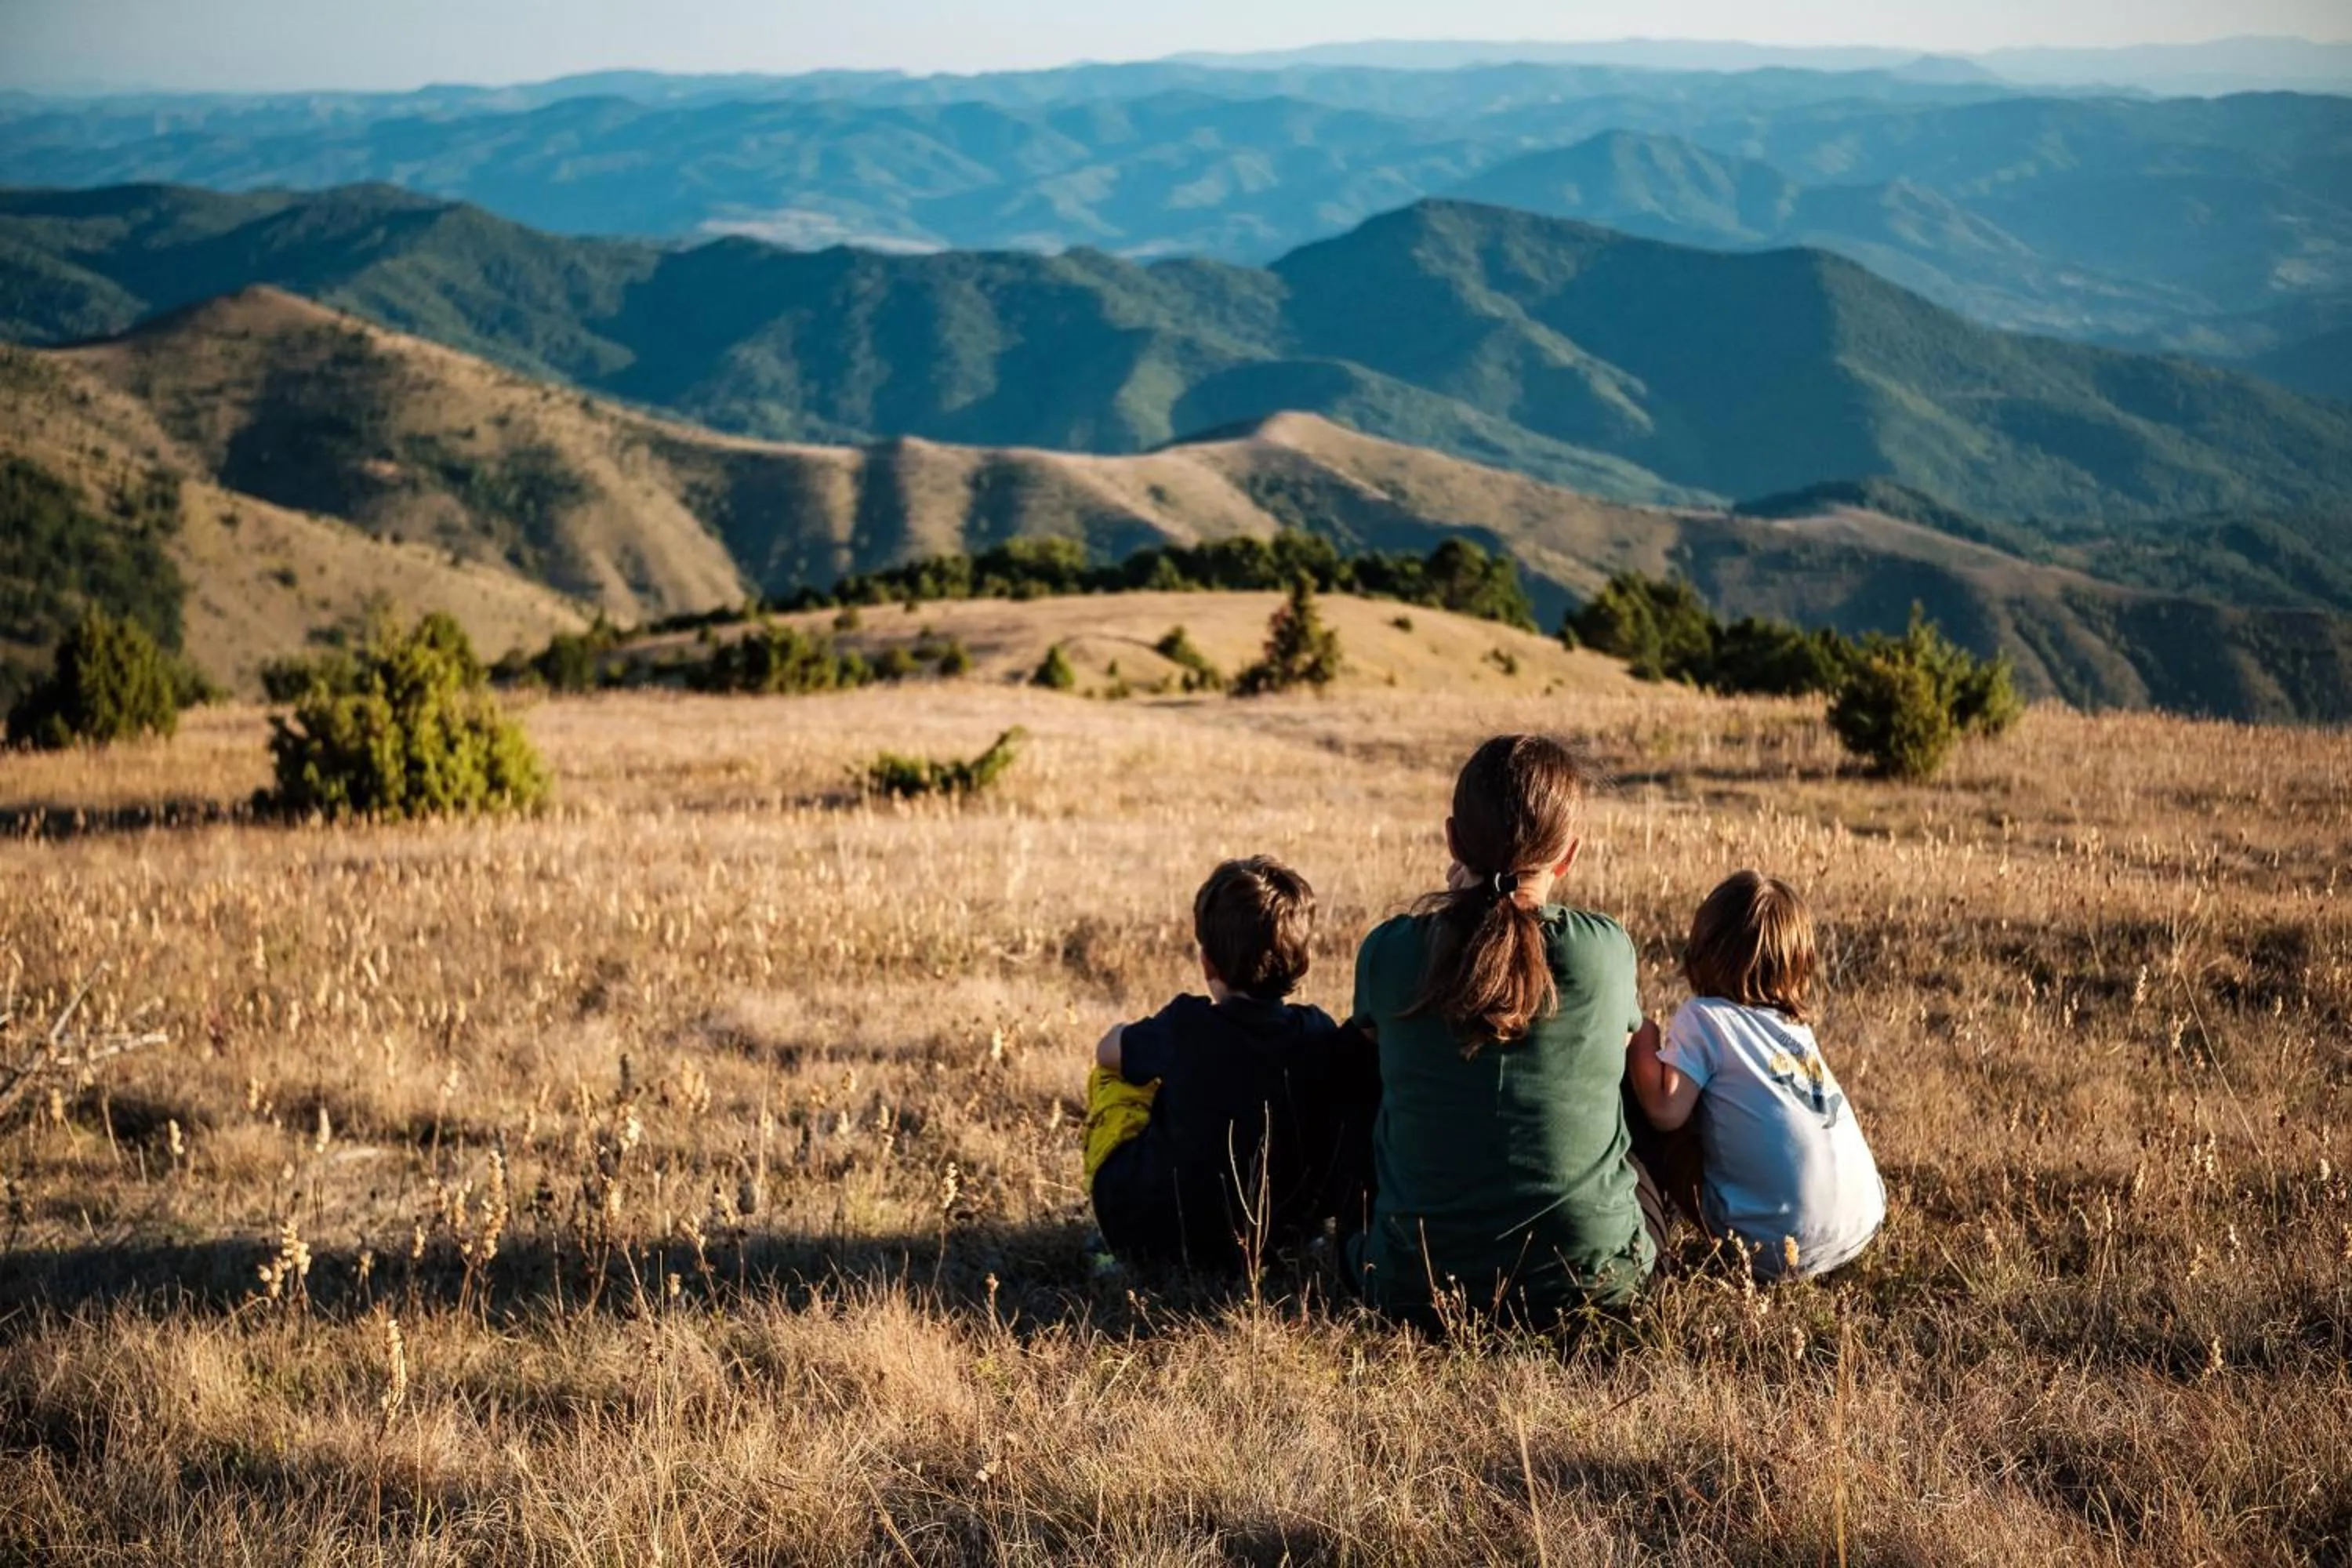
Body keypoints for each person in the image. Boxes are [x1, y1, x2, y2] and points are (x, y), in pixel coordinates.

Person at [1348, 734, 1661, 1329]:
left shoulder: (1389, 953)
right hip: (1595, 1286)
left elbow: (1366, 1054)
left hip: (1411, 1288)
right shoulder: (1603, 952)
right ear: (1568, 856)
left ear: (1453, 840)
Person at [1084, 856, 1376, 1273]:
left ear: (1207, 963)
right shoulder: (1318, 1033)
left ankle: (1116, 1232)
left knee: (1115, 1075)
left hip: (1154, 1231)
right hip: (1279, 1230)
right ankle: (1301, 1233)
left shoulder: (1185, 1026)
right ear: (1303, 962)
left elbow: (1106, 1052)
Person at [1625, 871, 1884, 1280]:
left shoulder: (1706, 1018)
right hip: (1861, 1222)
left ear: (1702, 951)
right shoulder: (1796, 1030)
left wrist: (1642, 1031)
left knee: (1670, 1121)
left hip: (1774, 1245)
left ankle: (1656, 1227)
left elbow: (1664, 1110)